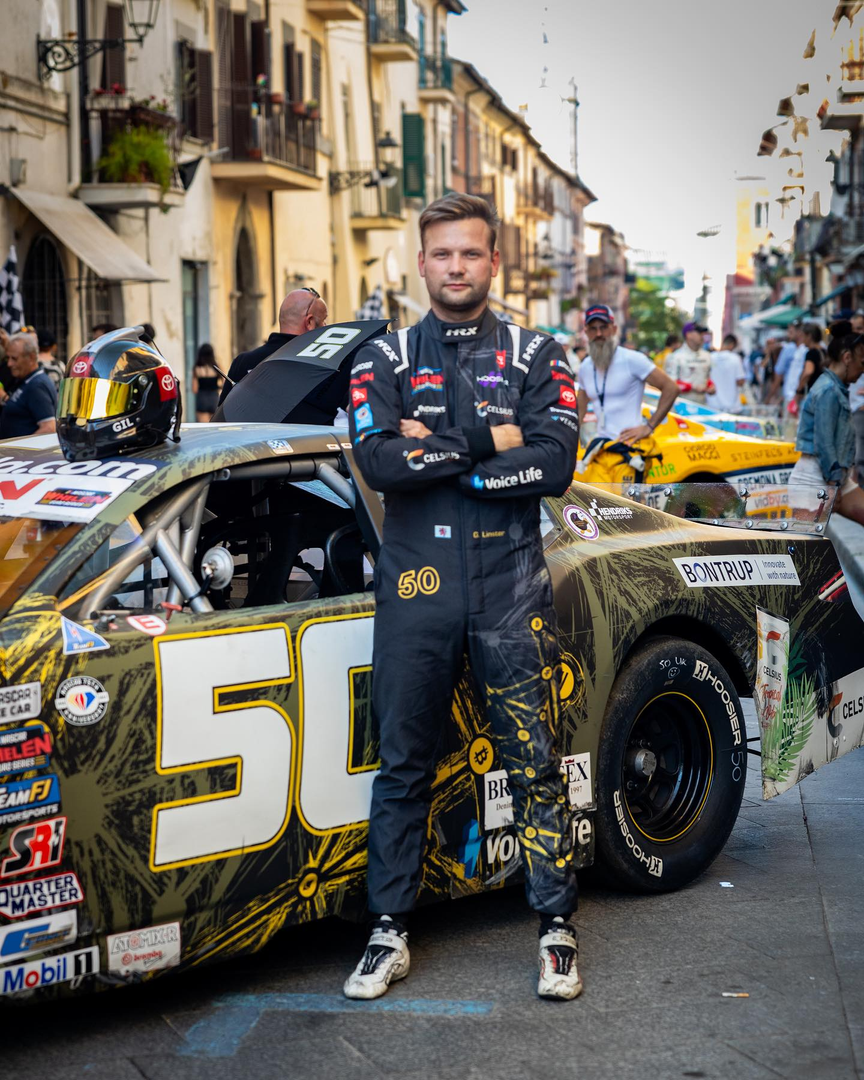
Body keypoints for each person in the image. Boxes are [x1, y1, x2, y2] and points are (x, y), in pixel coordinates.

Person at [344, 193, 583, 1002]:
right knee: (403, 766)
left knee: (534, 766)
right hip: (416, 588)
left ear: (492, 261)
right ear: (422, 262)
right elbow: (377, 466)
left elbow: (553, 466)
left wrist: (436, 449)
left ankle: (556, 931)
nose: (456, 267)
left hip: (509, 584)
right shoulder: (381, 358)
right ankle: (388, 933)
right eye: (442, 254)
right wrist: (492, 439)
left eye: (470, 254)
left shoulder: (536, 352)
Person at [576, 303, 678, 483]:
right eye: (593, 329)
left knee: (626, 510)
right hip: (601, 449)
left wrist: (649, 427)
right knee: (595, 509)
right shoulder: (585, 367)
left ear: (614, 329)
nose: (599, 334)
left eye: (603, 327)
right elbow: (579, 408)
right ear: (586, 332)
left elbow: (671, 388)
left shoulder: (632, 359)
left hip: (630, 450)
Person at [789, 321, 864, 525]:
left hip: (833, 477)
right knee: (806, 552)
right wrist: (834, 482)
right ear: (847, 358)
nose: (862, 371)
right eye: (862, 363)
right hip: (814, 479)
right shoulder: (828, 390)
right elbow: (824, 442)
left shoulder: (836, 388)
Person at [218, 288, 328, 405]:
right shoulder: (322, 365)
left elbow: (225, 420)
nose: (326, 326)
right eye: (324, 320)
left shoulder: (243, 363)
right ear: (310, 322)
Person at [0, 332, 58, 439]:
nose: (9, 364)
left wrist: (20, 452)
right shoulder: (25, 379)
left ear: (31, 358)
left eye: (14, 359)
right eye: (8, 358)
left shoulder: (37, 385)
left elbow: (49, 428)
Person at [666, 322, 712, 401]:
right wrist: (692, 387)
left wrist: (711, 386)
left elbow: (707, 378)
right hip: (682, 405)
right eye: (699, 333)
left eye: (703, 333)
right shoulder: (675, 357)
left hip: (703, 405)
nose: (702, 335)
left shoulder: (707, 355)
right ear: (688, 335)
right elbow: (670, 384)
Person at [707, 334, 746, 413]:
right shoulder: (735, 358)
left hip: (712, 405)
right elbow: (740, 381)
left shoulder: (709, 357)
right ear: (731, 345)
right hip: (732, 406)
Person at [192, 344, 223, 421]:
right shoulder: (217, 366)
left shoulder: (197, 368)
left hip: (202, 399)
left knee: (204, 428)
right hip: (214, 398)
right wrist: (218, 387)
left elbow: (194, 389)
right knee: (215, 427)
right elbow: (225, 382)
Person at [795, 323, 824, 400]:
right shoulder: (824, 351)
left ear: (809, 336)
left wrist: (799, 390)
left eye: (803, 336)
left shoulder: (811, 353)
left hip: (814, 394)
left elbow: (808, 371)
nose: (802, 339)